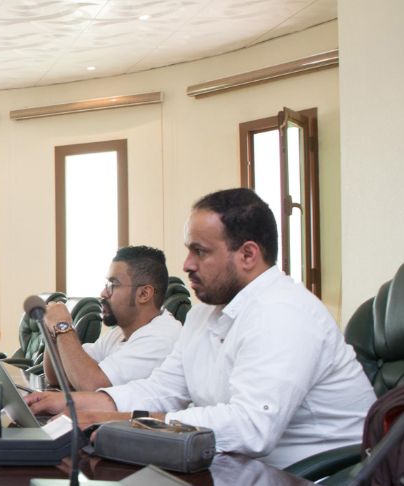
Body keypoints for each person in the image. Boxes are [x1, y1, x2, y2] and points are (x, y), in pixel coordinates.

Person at [26, 188, 376, 469]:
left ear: (248, 255)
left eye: (200, 251)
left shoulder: (284, 313)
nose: (187, 264)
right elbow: (163, 388)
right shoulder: (203, 314)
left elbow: (251, 427)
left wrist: (117, 420)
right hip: (241, 472)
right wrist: (68, 404)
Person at [42, 245, 181, 390]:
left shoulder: (161, 339)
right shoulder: (119, 333)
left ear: (144, 294)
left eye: (113, 285)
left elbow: (91, 385)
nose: (103, 293)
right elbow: (58, 377)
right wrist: (51, 333)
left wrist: (63, 326)